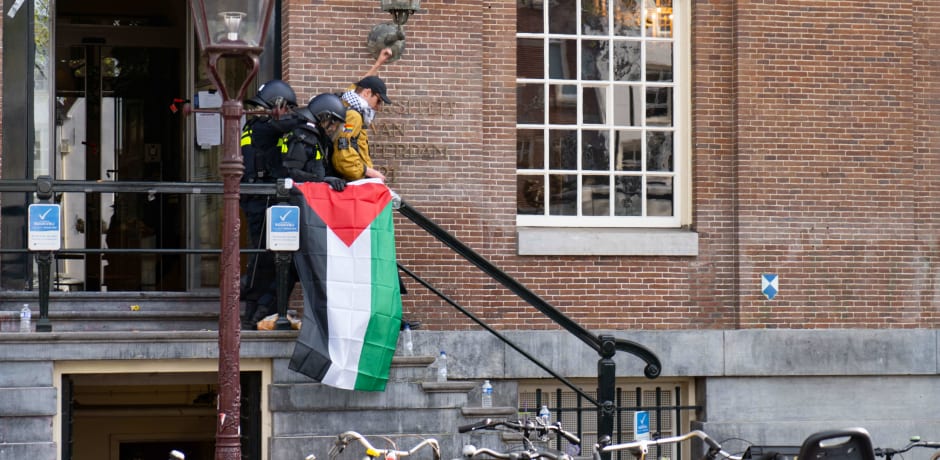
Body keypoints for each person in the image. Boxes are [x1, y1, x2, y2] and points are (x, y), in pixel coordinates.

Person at [239, 79, 305, 329]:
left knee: (268, 257)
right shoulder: (264, 127)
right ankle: (258, 312)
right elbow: (295, 122)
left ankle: (258, 312)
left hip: (261, 199)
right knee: (272, 259)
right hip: (264, 199)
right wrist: (305, 116)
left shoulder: (253, 126)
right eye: (286, 107)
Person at [332, 49, 394, 182]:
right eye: (378, 100)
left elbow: (360, 87)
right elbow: (344, 155)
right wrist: (368, 172)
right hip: (353, 181)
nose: (378, 106)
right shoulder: (353, 116)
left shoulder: (349, 101)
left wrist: (378, 63)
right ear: (366, 94)